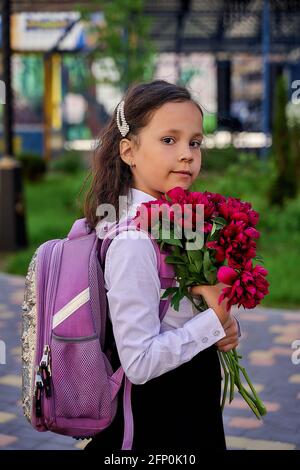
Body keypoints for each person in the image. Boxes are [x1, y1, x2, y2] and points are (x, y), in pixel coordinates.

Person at [83, 80, 240, 452]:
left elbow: (185, 317)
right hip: (156, 428)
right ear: (129, 151)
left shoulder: (177, 222)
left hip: (190, 409)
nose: (187, 154)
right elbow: (138, 361)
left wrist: (223, 327)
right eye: (169, 140)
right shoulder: (133, 240)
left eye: (195, 142)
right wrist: (212, 323)